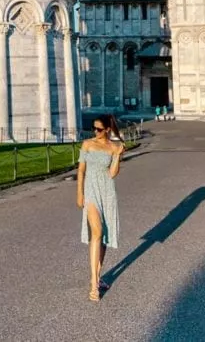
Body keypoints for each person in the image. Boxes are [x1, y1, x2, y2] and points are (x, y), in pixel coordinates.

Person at [77, 114, 125, 301]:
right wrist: (79, 194)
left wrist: (118, 156)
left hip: (107, 192)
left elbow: (112, 174)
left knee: (103, 236)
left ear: (106, 130)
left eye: (98, 129)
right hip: (90, 193)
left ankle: (98, 276)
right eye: (93, 128)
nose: (94, 132)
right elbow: (81, 170)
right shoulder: (87, 144)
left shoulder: (113, 147)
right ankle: (93, 283)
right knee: (95, 233)